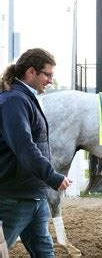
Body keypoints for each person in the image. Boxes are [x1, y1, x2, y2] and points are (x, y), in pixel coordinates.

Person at [0, 48, 72, 257]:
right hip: (15, 198)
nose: (50, 80)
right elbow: (25, 147)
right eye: (47, 75)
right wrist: (51, 176)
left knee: (45, 253)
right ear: (31, 72)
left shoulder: (24, 98)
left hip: (34, 196)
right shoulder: (14, 101)